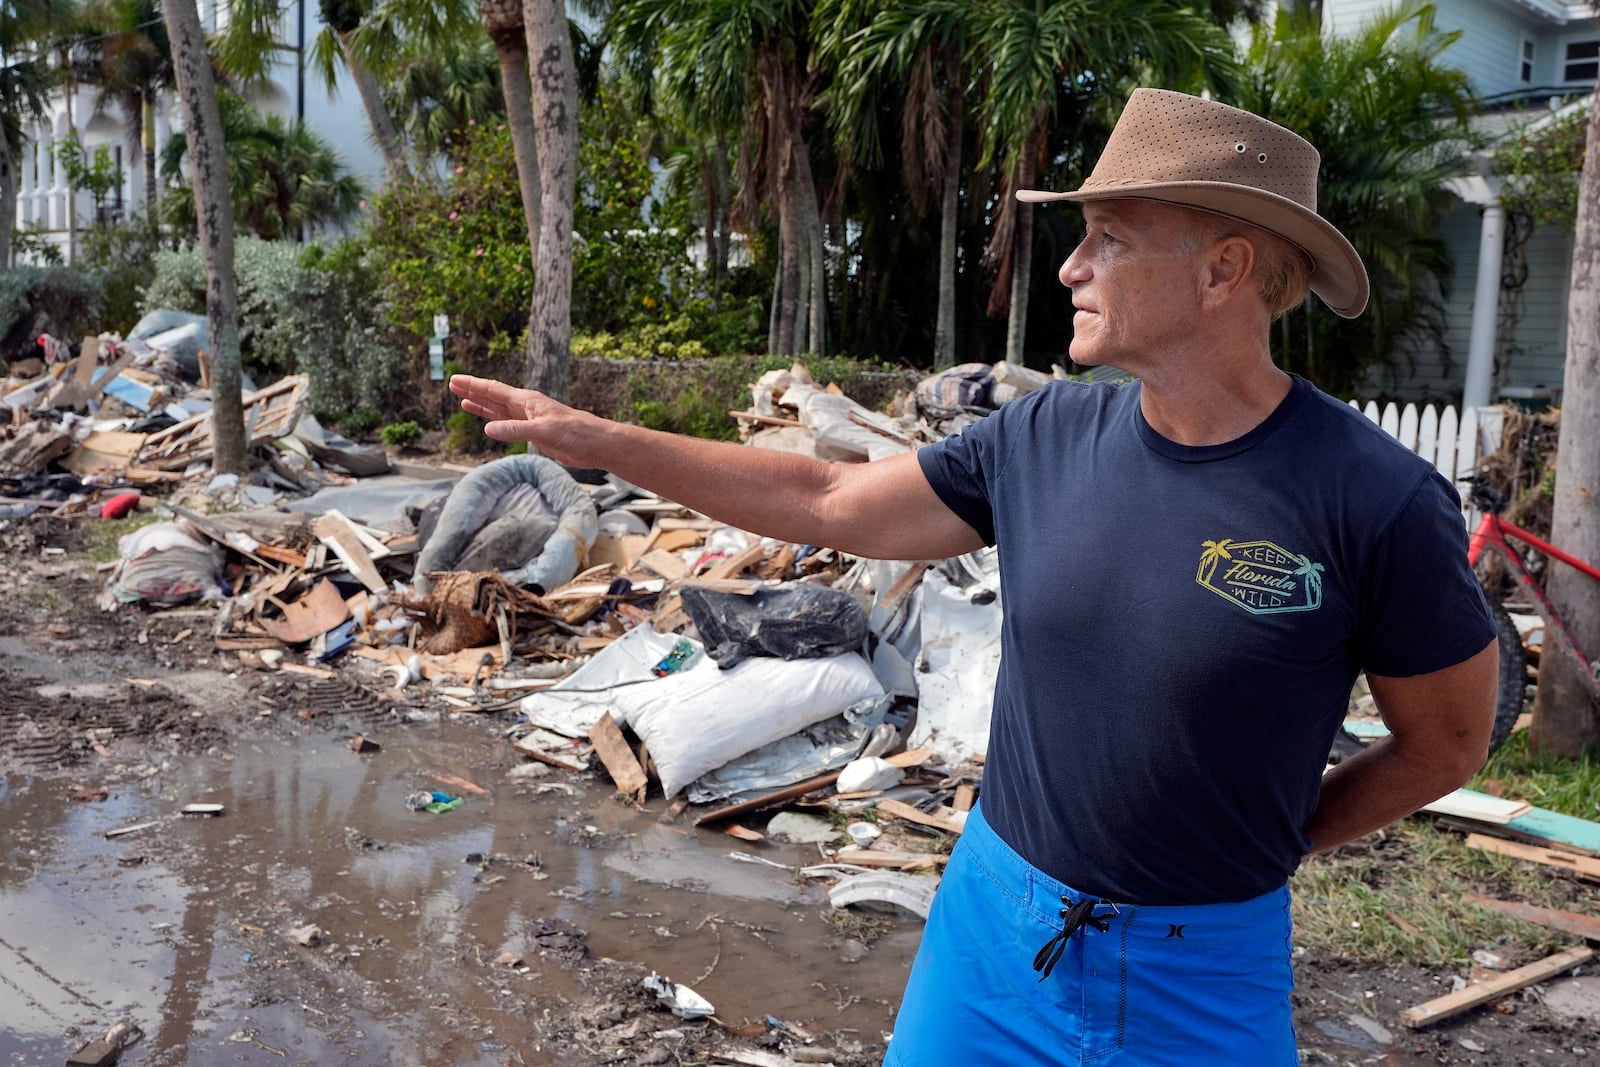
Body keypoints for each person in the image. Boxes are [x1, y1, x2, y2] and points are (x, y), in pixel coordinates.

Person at [451, 88, 1498, 1065]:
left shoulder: (1371, 498)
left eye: (1108, 240)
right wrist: (604, 439)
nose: (1068, 268)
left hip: (1203, 976)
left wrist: (1280, 835)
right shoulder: (1043, 435)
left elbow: (1446, 738)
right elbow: (824, 497)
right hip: (991, 937)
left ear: (1222, 269)